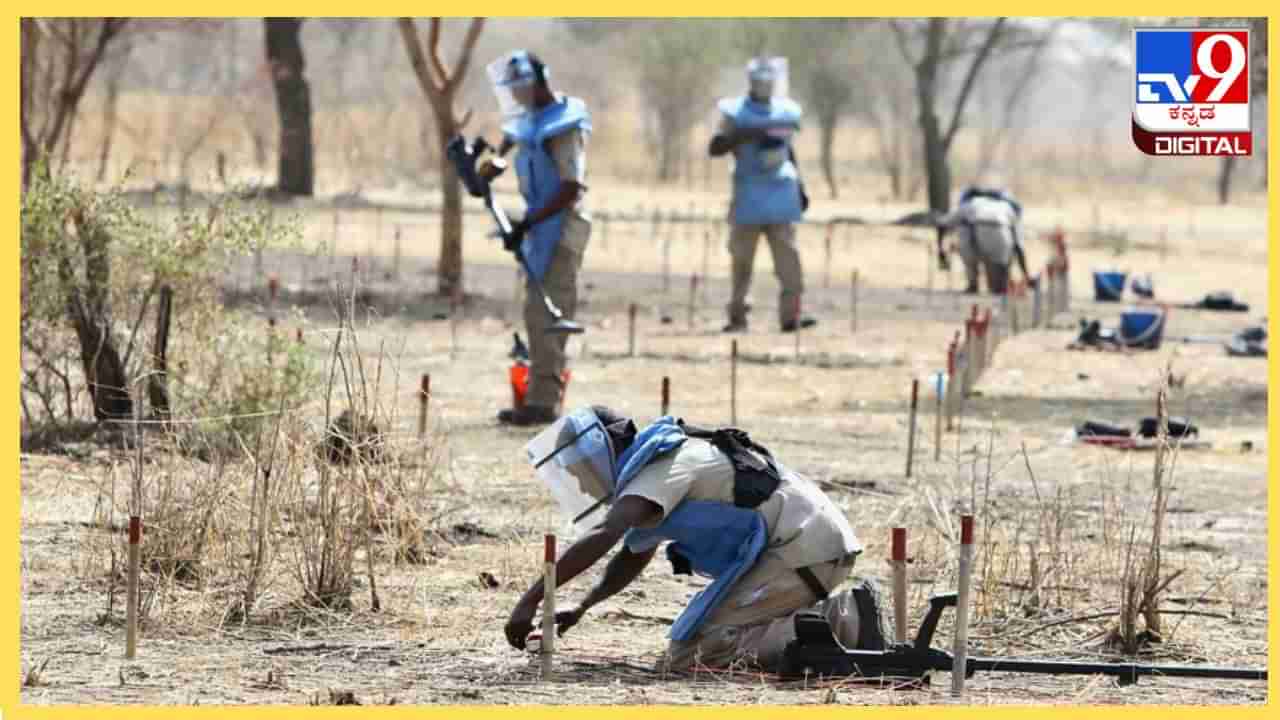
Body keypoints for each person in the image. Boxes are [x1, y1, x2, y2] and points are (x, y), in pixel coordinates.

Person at [503, 406, 888, 672]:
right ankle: (818, 627)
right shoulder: (656, 469)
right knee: (692, 646)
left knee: (698, 651)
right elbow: (632, 555)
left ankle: (845, 618)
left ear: (610, 450)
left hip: (806, 549)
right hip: (803, 547)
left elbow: (608, 533)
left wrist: (528, 601)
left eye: (584, 469)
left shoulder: (660, 467)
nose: (583, 482)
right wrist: (584, 606)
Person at [488, 50, 592, 427]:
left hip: (562, 229)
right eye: (512, 89)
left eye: (522, 87)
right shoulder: (529, 122)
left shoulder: (565, 125)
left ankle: (543, 404)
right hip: (537, 228)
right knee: (535, 312)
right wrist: (485, 161)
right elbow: (505, 148)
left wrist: (528, 220)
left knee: (551, 313)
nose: (516, 96)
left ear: (540, 82)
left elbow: (570, 187)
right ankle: (536, 397)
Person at [709, 57, 816, 334]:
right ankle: (737, 317)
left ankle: (791, 315)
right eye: (759, 81)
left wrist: (800, 188)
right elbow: (716, 147)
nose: (764, 86)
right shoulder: (736, 113)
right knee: (742, 261)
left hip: (781, 194)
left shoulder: (785, 112)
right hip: (748, 194)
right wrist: (744, 135)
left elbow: (788, 150)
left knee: (789, 261)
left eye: (769, 81)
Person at [942, 185, 1034, 295]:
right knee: (998, 289)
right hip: (1003, 245)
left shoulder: (970, 204)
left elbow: (946, 221)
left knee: (963, 231)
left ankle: (973, 284)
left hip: (977, 246)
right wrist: (1026, 274)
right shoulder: (1006, 206)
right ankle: (1002, 286)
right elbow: (1019, 244)